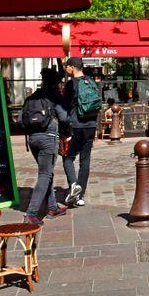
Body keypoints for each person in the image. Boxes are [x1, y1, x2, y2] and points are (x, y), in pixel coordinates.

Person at [22, 68, 69, 225]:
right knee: (45, 174)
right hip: (48, 138)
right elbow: (63, 117)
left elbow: (22, 121)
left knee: (46, 173)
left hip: (33, 139)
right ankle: (31, 213)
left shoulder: (32, 97)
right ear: (56, 82)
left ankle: (52, 206)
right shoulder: (55, 96)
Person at [61, 57, 102, 207]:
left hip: (76, 126)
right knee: (85, 160)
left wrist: (64, 130)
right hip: (91, 125)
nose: (66, 69)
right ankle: (80, 196)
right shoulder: (90, 81)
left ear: (72, 67)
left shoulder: (71, 84)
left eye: (67, 67)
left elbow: (64, 108)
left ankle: (74, 187)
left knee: (68, 158)